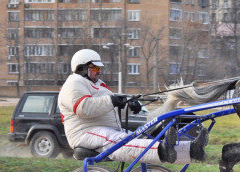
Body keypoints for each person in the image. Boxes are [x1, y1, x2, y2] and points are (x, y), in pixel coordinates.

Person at [58, 48, 207, 164]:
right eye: (96, 68)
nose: (99, 71)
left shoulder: (98, 86)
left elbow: (109, 110)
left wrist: (129, 106)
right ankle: (162, 150)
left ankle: (192, 150)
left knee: (137, 139)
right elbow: (84, 108)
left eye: (99, 68)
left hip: (103, 130)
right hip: (84, 133)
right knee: (120, 141)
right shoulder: (74, 83)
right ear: (82, 68)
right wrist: (112, 100)